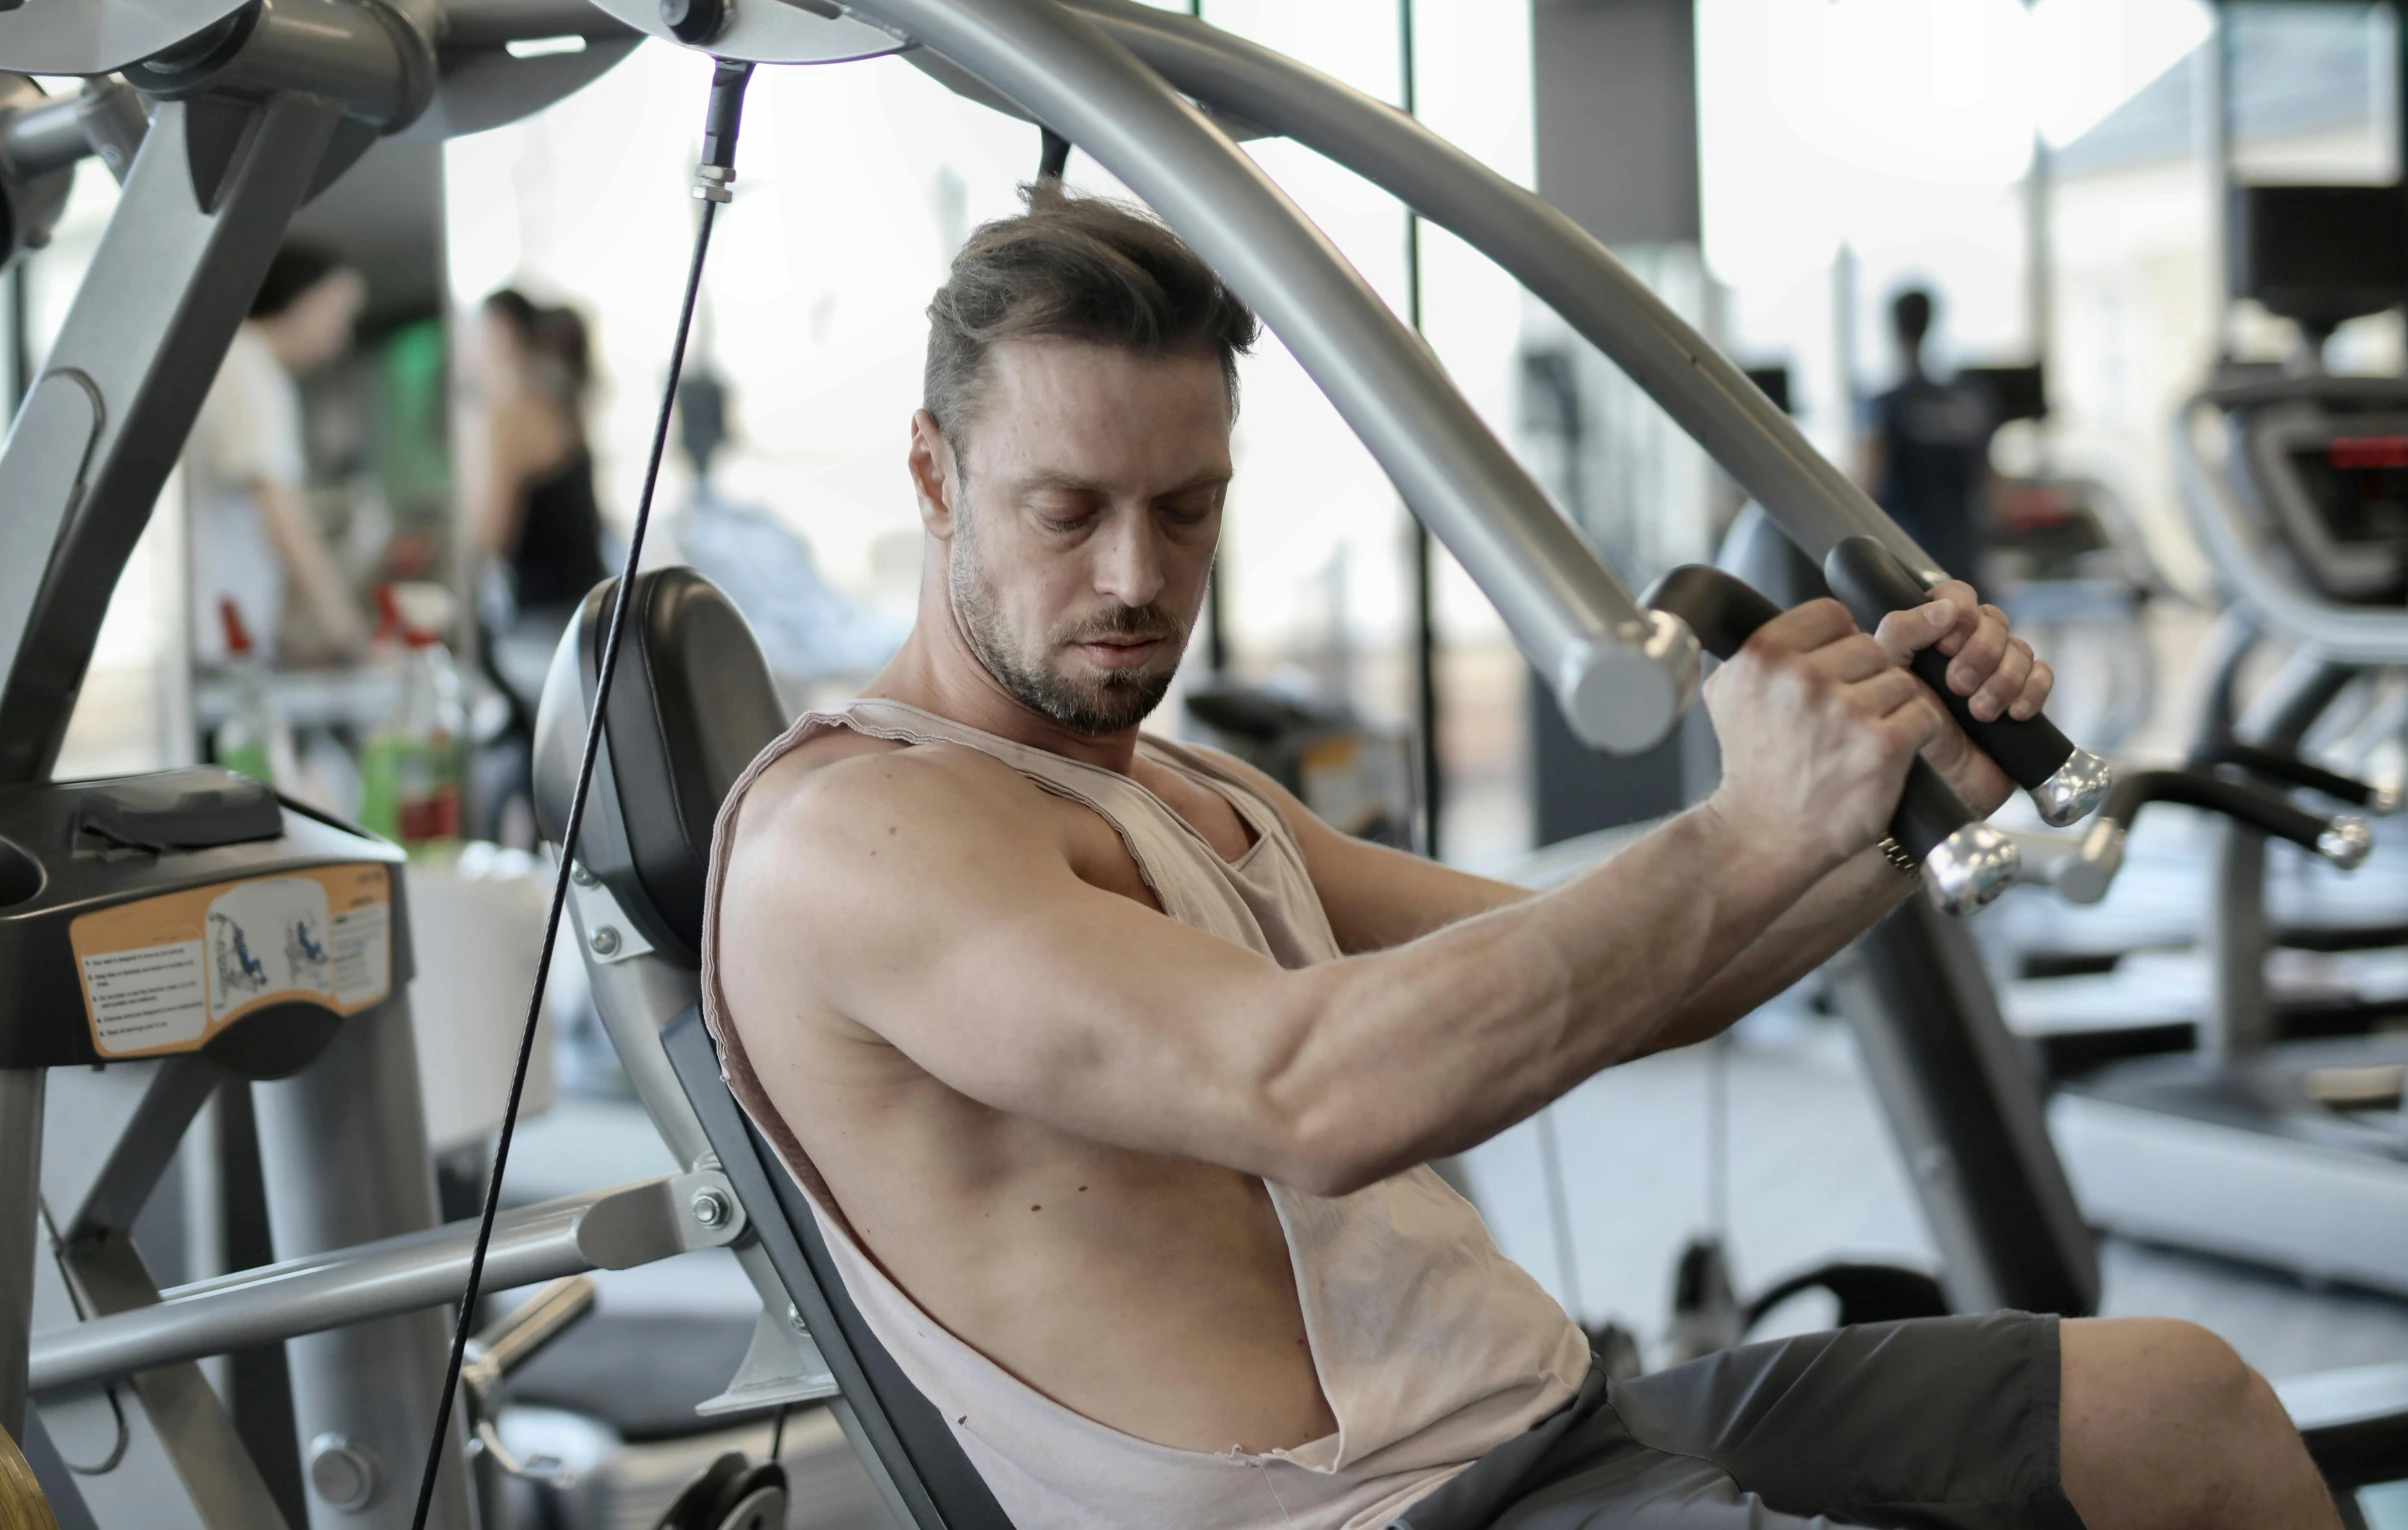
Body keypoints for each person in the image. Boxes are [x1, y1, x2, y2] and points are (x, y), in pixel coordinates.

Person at [706, 188, 2338, 1529]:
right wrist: (1743, 824)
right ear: (931, 474)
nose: (1139, 575)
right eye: (1066, 513)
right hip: (1376, 1520)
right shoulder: (854, 834)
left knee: (2174, 1407)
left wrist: (1902, 802)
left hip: (1549, 1428)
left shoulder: (1186, 791)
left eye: (1185, 509)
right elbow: (1312, 1096)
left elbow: (1635, 980)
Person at [187, 245, 370, 668]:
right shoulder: (249, 368)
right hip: (218, 636)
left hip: (220, 627)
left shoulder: (236, 361)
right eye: (336, 313)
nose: (341, 335)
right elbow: (282, 515)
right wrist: (349, 633)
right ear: (301, 299)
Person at [462, 288, 608, 622]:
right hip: (584, 601)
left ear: (503, 331)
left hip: (549, 618)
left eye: (477, 333)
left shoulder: (512, 416)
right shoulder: (556, 400)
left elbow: (491, 537)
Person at [1860, 287, 1998, 587]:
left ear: (1894, 328)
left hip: (1906, 560)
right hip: (1966, 554)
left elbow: (1867, 485)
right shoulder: (1973, 398)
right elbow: (1993, 488)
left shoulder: (1886, 404)